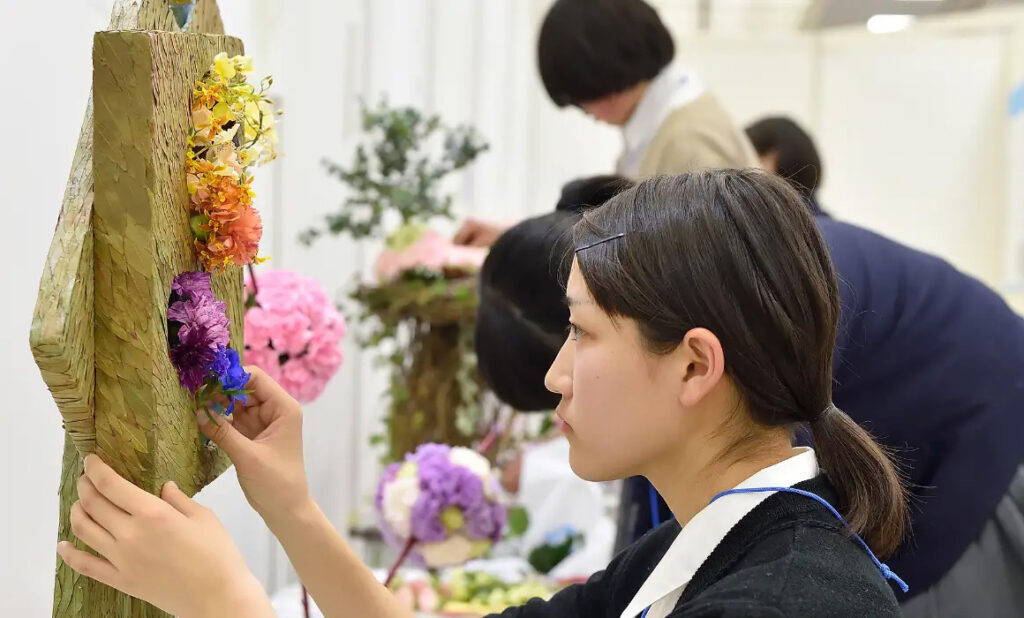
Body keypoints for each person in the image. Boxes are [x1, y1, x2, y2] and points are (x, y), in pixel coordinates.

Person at [59, 170, 908, 617]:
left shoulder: (788, 600)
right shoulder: (700, 552)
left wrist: (227, 604)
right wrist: (293, 510)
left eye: (579, 332)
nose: (553, 375)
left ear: (694, 365)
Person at [453, 0, 757, 248]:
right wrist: (516, 236)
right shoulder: (668, 118)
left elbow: (687, 264)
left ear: (603, 78)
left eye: (579, 99)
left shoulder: (687, 140)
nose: (586, 113)